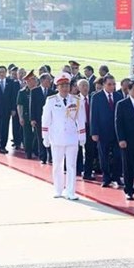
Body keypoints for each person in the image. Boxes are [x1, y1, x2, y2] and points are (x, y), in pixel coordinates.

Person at [41, 72, 86, 200]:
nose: (65, 88)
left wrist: (82, 135)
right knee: (57, 165)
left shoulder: (76, 100)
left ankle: (71, 191)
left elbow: (81, 119)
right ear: (57, 87)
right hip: (57, 137)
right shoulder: (51, 101)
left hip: (72, 137)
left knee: (71, 166)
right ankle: (58, 189)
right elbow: (46, 119)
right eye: (62, 86)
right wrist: (45, 136)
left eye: (66, 85)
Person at [90, 75, 124, 188]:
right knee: (103, 155)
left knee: (117, 156)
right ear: (104, 84)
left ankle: (116, 177)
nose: (112, 86)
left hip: (116, 132)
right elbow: (93, 115)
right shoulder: (97, 97)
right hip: (102, 131)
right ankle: (106, 177)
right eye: (109, 84)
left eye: (114, 84)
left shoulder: (118, 96)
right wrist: (94, 132)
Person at [31, 73, 56, 164]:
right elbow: (32, 106)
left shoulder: (52, 92)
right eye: (48, 80)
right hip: (38, 119)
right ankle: (43, 157)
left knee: (50, 137)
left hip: (50, 120)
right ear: (42, 80)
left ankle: (51, 157)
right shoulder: (34, 91)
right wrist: (32, 119)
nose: (50, 82)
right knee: (40, 138)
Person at [77, 79, 97, 181]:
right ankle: (78, 169)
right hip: (79, 127)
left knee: (90, 151)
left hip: (90, 127)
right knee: (78, 150)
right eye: (83, 86)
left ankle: (88, 172)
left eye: (87, 85)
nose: (85, 88)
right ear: (78, 88)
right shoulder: (75, 100)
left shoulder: (93, 98)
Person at [16, 70, 38, 159]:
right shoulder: (22, 92)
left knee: (37, 135)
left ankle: (36, 150)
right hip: (26, 115)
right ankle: (28, 151)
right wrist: (20, 117)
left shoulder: (38, 91)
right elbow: (19, 105)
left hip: (37, 116)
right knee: (27, 135)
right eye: (32, 80)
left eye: (34, 79)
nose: (34, 81)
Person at [9, 65, 23, 150]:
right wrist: (13, 109)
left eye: (22, 73)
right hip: (15, 108)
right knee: (15, 125)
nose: (21, 75)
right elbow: (12, 97)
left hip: (24, 108)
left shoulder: (27, 83)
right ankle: (17, 142)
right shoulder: (14, 84)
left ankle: (23, 141)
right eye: (19, 73)